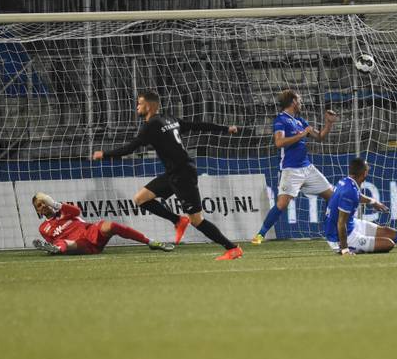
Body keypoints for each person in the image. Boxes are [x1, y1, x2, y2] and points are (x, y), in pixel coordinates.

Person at [92, 90, 243, 261]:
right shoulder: (169, 118)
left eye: (140, 103)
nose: (137, 107)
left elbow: (129, 149)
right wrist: (225, 128)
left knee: (197, 220)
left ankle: (232, 248)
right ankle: (178, 220)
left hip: (183, 175)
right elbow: (197, 125)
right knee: (141, 198)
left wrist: (104, 154)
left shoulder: (151, 126)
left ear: (148, 106)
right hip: (175, 172)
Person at [251, 89, 338, 244]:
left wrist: (329, 123)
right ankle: (260, 235)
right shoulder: (281, 120)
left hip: (308, 168)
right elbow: (279, 143)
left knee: (332, 196)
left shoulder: (300, 121)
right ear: (292, 102)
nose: (301, 102)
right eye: (299, 100)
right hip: (291, 170)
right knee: (282, 204)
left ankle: (331, 232)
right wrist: (301, 135)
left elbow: (320, 137)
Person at [30, 192, 173, 255]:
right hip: (80, 245)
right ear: (38, 211)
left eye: (44, 202)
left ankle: (151, 242)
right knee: (62, 242)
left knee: (110, 225)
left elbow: (77, 211)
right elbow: (54, 240)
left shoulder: (63, 210)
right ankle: (55, 250)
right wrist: (57, 247)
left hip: (91, 233)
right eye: (39, 205)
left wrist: (55, 204)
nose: (43, 206)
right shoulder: (43, 228)